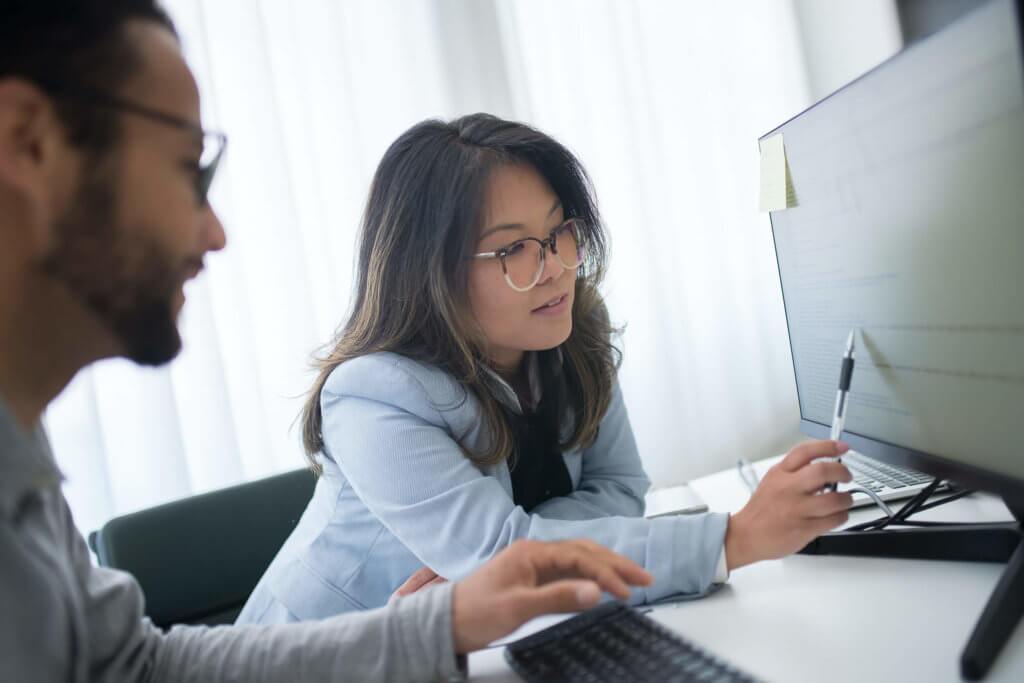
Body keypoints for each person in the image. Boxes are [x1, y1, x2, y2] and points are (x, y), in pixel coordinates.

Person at [0, 2, 656, 681]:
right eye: (187, 168)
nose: (215, 233)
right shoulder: (380, 388)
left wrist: (448, 619)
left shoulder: (20, 435)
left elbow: (131, 666)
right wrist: (729, 539)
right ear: (29, 142)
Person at [237, 113, 855, 625]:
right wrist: (734, 539)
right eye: (513, 249)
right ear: (430, 272)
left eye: (559, 230)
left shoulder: (571, 323)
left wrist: (513, 547)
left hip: (487, 645)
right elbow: (500, 557)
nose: (557, 265)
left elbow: (618, 491)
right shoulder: (372, 396)